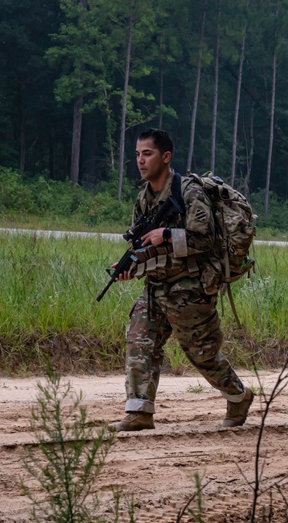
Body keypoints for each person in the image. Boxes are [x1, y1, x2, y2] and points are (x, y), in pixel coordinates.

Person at [109, 128, 253, 431]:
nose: (140, 160)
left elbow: (207, 240)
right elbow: (144, 247)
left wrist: (167, 235)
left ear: (166, 157)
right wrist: (130, 267)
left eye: (147, 153)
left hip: (190, 289)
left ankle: (238, 396)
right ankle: (139, 411)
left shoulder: (188, 192)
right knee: (140, 338)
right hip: (157, 286)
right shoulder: (144, 198)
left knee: (201, 354)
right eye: (137, 154)